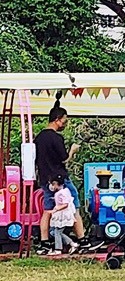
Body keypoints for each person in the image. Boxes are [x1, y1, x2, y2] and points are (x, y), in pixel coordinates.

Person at [35, 106, 87, 247]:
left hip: (45, 178)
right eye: (64, 121)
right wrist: (73, 151)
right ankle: (81, 238)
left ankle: (44, 240)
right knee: (74, 203)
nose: (65, 124)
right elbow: (64, 159)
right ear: (57, 120)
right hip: (61, 178)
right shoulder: (56, 138)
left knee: (47, 209)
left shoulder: (38, 138)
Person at [45, 179, 79, 255]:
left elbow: (65, 204)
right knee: (54, 232)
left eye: (54, 184)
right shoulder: (62, 192)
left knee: (57, 231)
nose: (52, 186)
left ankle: (58, 249)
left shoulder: (63, 193)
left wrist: (55, 209)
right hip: (60, 214)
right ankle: (72, 243)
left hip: (63, 215)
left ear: (58, 184)